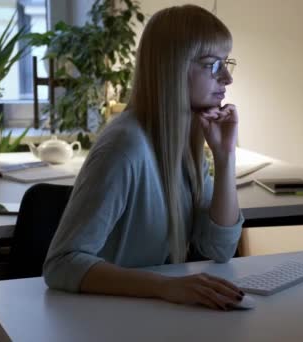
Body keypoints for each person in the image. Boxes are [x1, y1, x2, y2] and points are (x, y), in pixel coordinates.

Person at [43, 4, 245, 311]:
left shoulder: (184, 142)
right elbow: (62, 263)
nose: (227, 78)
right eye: (212, 65)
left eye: (226, 63)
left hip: (144, 313)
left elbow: (219, 248)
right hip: (101, 319)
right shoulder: (124, 147)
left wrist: (225, 155)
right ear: (173, 67)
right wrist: (166, 287)